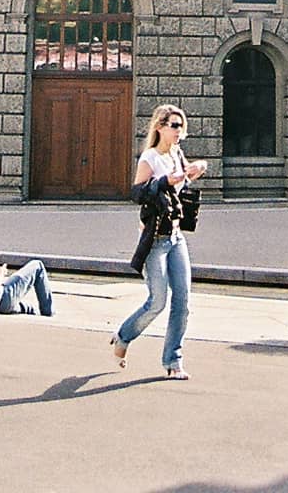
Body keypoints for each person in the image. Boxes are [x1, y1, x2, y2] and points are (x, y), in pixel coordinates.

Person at [112, 103, 207, 381]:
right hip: (155, 240)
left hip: (176, 237)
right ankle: (123, 335)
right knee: (157, 301)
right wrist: (164, 181)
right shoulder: (150, 158)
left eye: (182, 126)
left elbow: (183, 182)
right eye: (174, 125)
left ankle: (173, 361)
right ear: (159, 127)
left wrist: (198, 168)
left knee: (183, 302)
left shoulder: (176, 154)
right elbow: (136, 193)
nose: (179, 131)